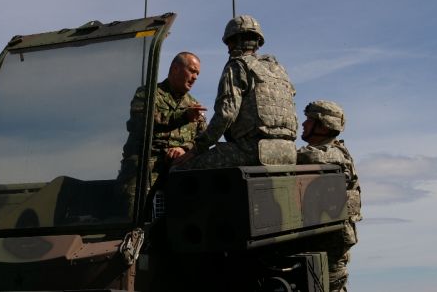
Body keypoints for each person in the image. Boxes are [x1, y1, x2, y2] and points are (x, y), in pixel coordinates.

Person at [175, 15, 297, 169]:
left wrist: (197, 147)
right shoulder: (279, 70)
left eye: (229, 42)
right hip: (288, 152)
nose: (228, 48)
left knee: (180, 168)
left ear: (236, 41)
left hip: (252, 150)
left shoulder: (237, 66)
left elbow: (226, 114)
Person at [118, 52, 207, 205]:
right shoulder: (147, 93)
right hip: (145, 169)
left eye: (197, 74)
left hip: (178, 171)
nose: (195, 77)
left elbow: (204, 138)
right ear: (175, 69)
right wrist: (183, 116)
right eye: (192, 71)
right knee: (133, 210)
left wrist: (185, 148)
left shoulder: (194, 105)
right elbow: (143, 122)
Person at [296, 100, 362, 292]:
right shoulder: (335, 152)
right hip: (327, 238)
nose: (303, 124)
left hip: (331, 242)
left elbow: (304, 157)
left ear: (323, 127)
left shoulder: (332, 154)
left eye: (309, 120)